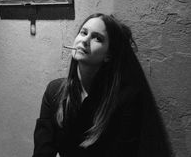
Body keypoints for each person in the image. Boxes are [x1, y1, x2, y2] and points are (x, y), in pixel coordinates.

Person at [33, 13, 147, 157]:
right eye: (83, 32)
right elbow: (42, 152)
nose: (85, 40)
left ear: (109, 55)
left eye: (97, 38)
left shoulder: (126, 99)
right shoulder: (54, 91)